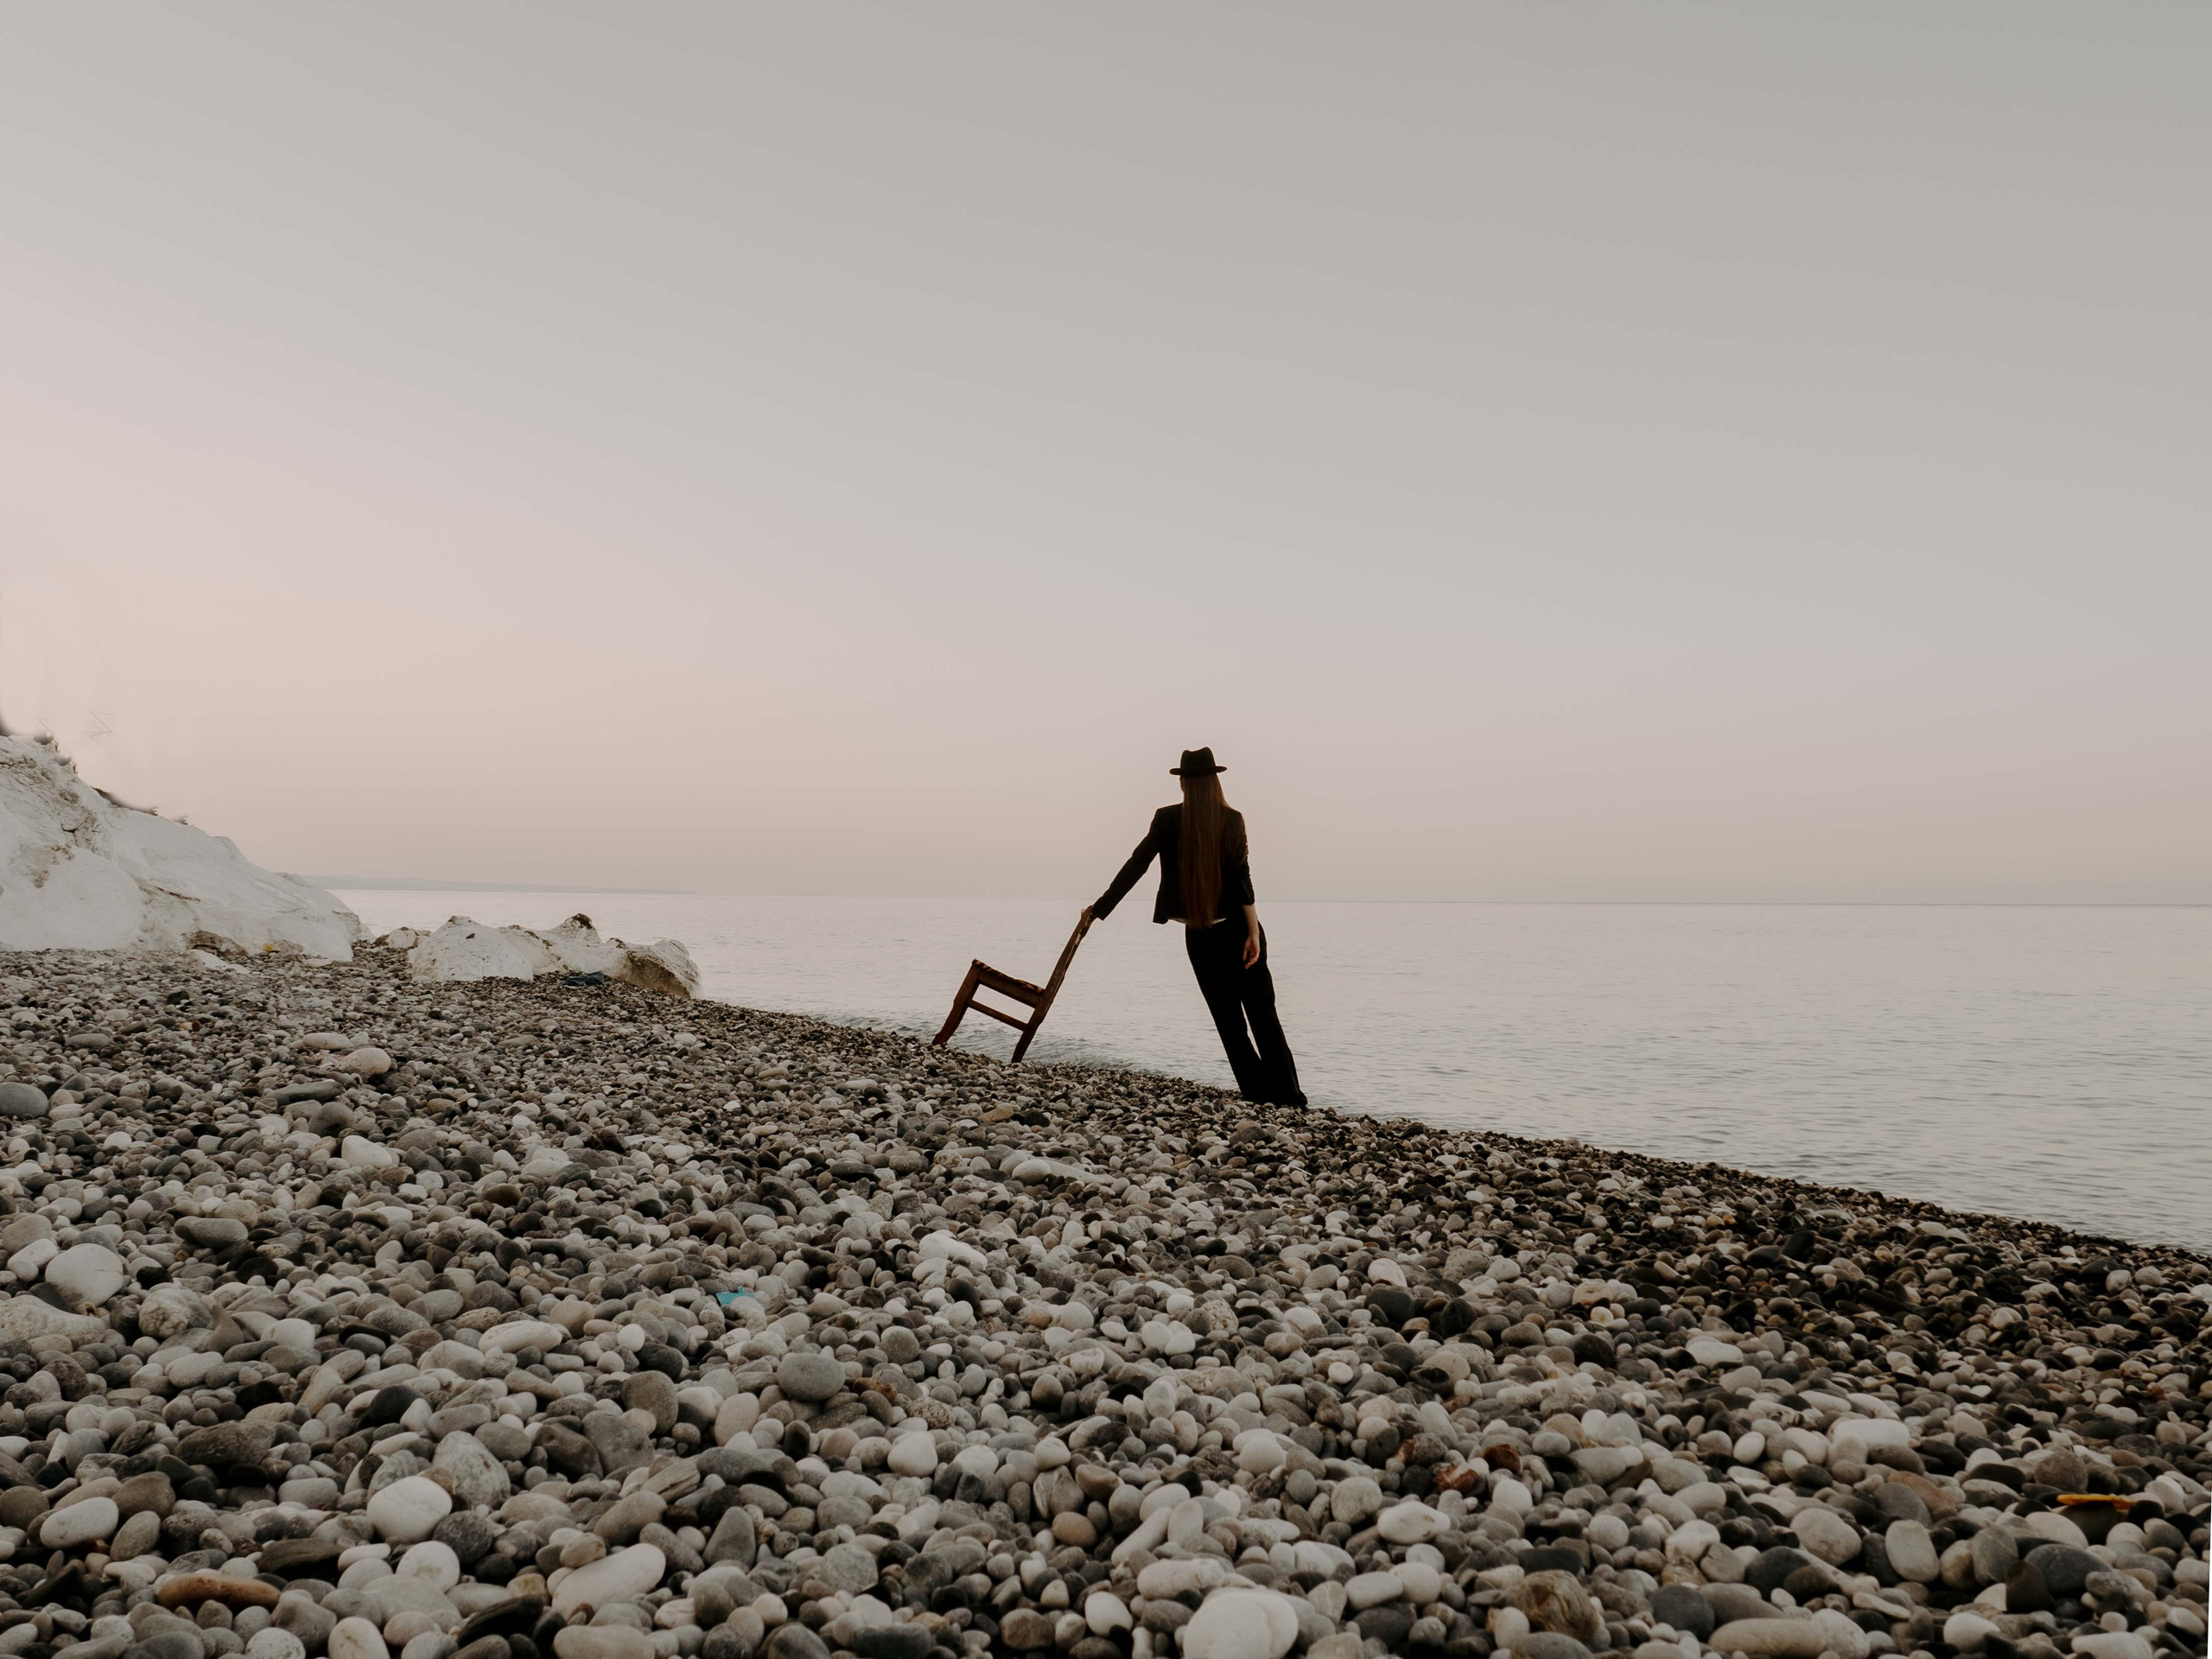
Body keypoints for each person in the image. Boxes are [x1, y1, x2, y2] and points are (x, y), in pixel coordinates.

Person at [1085, 747, 1306, 1107]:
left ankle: (1258, 1095)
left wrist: (1099, 908)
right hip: (1237, 929)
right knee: (1263, 1016)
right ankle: (1289, 1098)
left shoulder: (1167, 819)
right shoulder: (1230, 819)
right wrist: (1253, 933)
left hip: (1200, 937)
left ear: (1185, 783)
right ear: (1214, 781)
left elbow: (1136, 865)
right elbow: (1241, 880)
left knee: (1229, 1022)